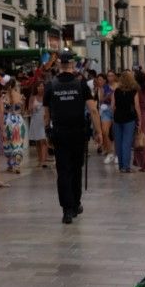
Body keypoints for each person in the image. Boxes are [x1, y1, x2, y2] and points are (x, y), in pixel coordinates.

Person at [43, 57, 102, 223]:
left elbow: (46, 114)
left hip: (59, 132)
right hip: (78, 132)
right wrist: (99, 132)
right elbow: (93, 110)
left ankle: (67, 209)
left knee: (63, 171)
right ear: (72, 65)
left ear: (59, 66)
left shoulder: (51, 85)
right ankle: (76, 203)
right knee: (76, 169)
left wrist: (48, 132)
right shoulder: (81, 84)